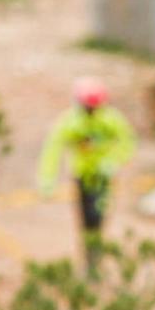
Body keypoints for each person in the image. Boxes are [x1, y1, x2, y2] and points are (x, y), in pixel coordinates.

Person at [35, 77, 136, 272]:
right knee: (85, 219)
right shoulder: (70, 122)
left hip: (103, 177)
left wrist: (113, 161)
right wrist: (47, 180)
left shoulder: (111, 120)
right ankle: (89, 261)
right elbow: (52, 150)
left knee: (98, 217)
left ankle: (94, 260)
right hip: (81, 176)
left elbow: (128, 142)